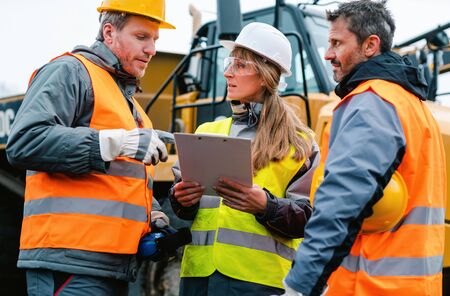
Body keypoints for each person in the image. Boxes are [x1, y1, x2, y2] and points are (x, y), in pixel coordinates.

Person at [5, 0, 175, 295]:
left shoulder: (132, 107)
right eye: (141, 37)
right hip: (68, 264)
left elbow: (121, 183)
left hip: (111, 267)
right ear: (109, 33)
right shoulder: (70, 71)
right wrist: (115, 142)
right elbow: (24, 142)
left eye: (155, 40)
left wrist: (155, 217)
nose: (152, 50)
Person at [283, 0, 446, 295]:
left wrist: (300, 284)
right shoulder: (413, 105)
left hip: (368, 285)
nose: (328, 54)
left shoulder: (371, 101)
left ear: (370, 45)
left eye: (336, 43)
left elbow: (341, 203)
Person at [169, 22, 320, 296]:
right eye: (229, 63)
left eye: (239, 65)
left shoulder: (300, 144)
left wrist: (267, 206)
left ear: (264, 75)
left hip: (259, 283)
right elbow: (185, 209)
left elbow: (313, 219)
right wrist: (182, 200)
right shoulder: (206, 132)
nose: (227, 73)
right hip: (197, 278)